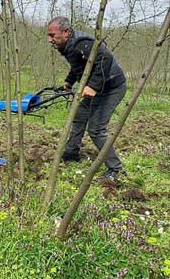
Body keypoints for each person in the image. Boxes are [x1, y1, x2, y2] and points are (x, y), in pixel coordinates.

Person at [46, 16, 127, 182]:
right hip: (97, 87)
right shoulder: (69, 46)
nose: (50, 40)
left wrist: (93, 86)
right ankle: (71, 153)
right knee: (79, 116)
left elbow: (105, 59)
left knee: (96, 129)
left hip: (111, 87)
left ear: (66, 32)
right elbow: (81, 66)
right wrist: (69, 81)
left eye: (52, 35)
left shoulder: (81, 43)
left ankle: (116, 169)